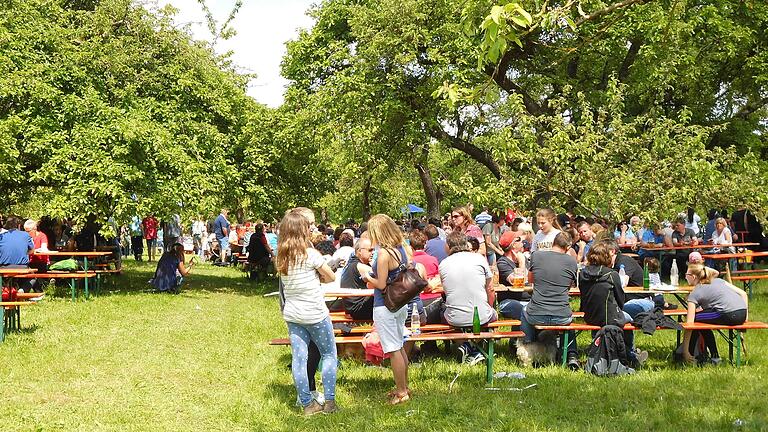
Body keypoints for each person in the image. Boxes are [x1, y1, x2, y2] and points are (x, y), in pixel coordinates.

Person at [276, 211, 338, 415]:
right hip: (315, 312)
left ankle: (306, 403)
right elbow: (329, 277)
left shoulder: (281, 256)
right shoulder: (311, 254)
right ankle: (329, 402)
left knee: (299, 359)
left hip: (293, 314)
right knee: (329, 354)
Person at [365, 213, 413, 405]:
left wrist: (367, 276)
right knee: (399, 346)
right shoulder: (400, 249)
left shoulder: (384, 254)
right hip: (400, 303)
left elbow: (381, 284)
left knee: (393, 349)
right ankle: (404, 386)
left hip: (385, 305)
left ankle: (401, 392)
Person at [579, 242, 647, 366]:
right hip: (610, 318)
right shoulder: (612, 275)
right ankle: (631, 355)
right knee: (628, 319)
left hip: (590, 317)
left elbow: (583, 296)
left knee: (615, 319)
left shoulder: (582, 274)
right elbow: (620, 300)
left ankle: (599, 348)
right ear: (607, 257)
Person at [520, 232, 579, 369]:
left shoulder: (537, 255)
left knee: (523, 309)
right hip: (562, 316)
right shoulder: (571, 261)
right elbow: (569, 286)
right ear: (568, 246)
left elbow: (530, 280)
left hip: (536, 315)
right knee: (570, 318)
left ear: (553, 242)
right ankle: (571, 355)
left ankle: (528, 346)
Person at [440, 231, 495, 363]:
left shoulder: (443, 264)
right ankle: (474, 348)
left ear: (448, 246)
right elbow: (490, 288)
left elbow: (447, 292)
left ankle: (466, 346)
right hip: (481, 315)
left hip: (454, 318)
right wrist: (490, 307)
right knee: (491, 315)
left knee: (442, 312)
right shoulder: (479, 259)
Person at [681, 263, 748, 365]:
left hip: (727, 314)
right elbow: (743, 293)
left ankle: (692, 355)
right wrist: (745, 318)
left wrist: (685, 352)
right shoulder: (719, 281)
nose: (685, 277)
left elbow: (689, 323)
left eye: (686, 275)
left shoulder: (695, 292)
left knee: (694, 319)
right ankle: (711, 356)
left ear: (693, 277)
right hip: (742, 313)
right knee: (701, 322)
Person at [409, 230, 442, 324]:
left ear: (410, 246)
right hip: (433, 299)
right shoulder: (433, 259)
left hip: (417, 301)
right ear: (425, 245)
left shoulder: (410, 263)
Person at [340, 235, 375, 320]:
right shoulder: (360, 266)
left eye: (373, 250)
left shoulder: (351, 264)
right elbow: (382, 278)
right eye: (370, 250)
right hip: (358, 310)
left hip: (351, 308)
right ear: (359, 251)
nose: (373, 253)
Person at [496, 230, 529, 320]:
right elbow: (516, 282)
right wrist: (521, 263)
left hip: (528, 300)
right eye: (518, 239)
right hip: (508, 301)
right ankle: (527, 335)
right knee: (524, 311)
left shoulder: (523, 258)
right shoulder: (502, 262)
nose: (522, 240)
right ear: (513, 245)